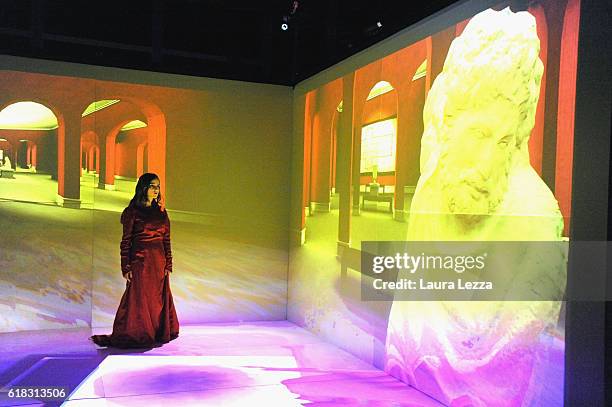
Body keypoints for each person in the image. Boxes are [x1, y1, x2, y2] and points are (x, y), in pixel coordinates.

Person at [91, 173, 179, 348]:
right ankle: (138, 332)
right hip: (141, 262)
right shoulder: (132, 212)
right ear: (144, 188)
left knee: (157, 300)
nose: (156, 190)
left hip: (158, 262)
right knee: (139, 299)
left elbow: (166, 239)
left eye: (158, 186)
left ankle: (156, 331)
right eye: (153, 186)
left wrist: (168, 262)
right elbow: (126, 242)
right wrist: (126, 266)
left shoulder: (161, 212)